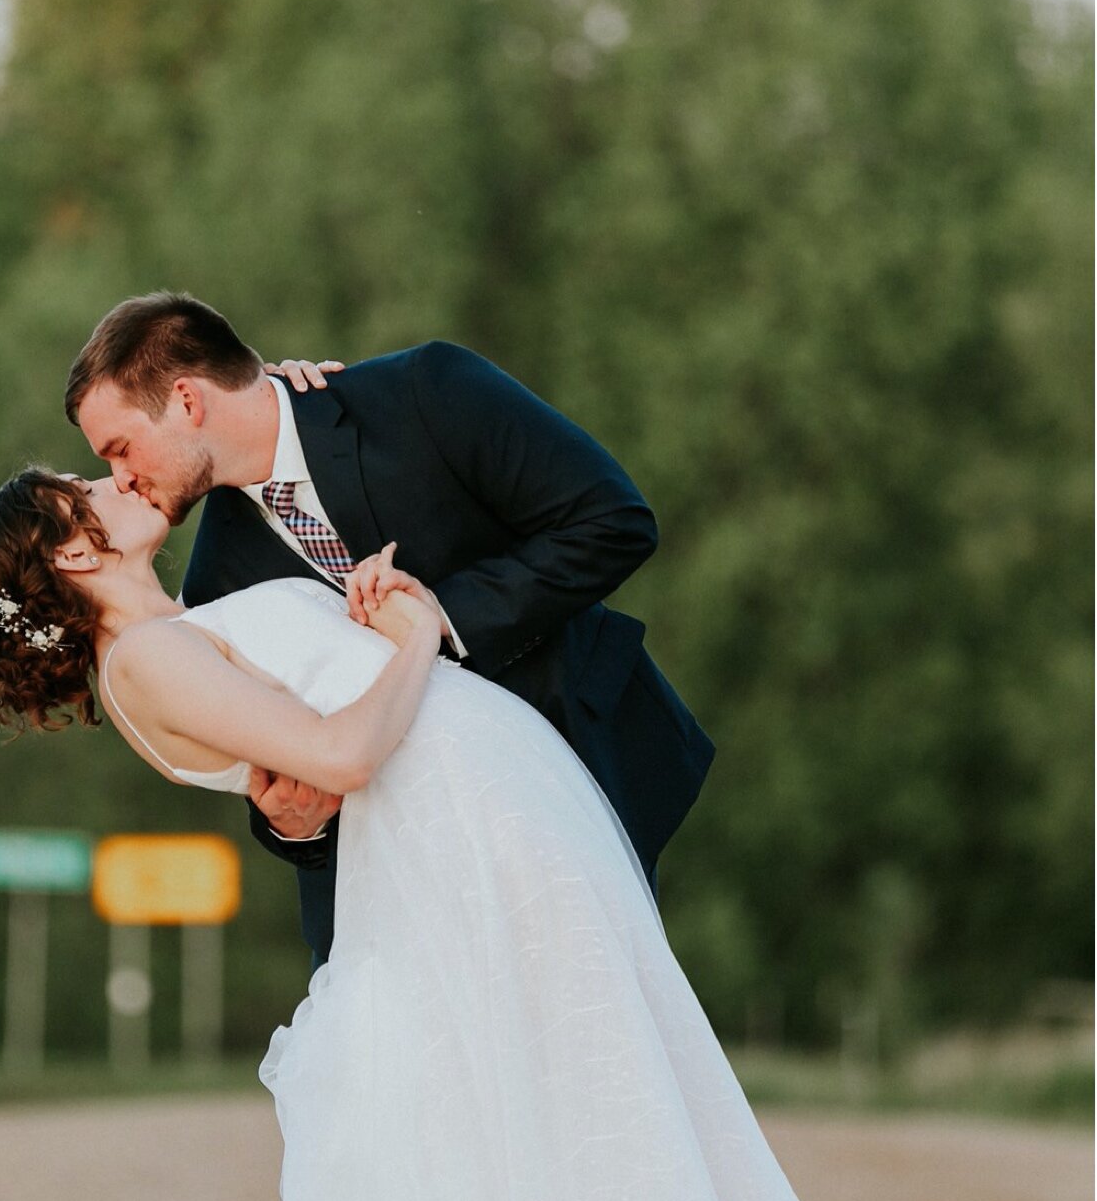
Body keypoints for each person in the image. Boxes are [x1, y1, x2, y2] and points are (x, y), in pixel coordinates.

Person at [0, 457, 1018, 1201]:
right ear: (74, 552)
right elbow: (341, 755)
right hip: (461, 860)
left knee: (616, 1129)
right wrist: (417, 630)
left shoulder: (180, 627)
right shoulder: (149, 656)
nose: (109, 479)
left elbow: (305, 748)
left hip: (490, 833)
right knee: (624, 1133)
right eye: (84, 485)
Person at [63, 292, 716, 975]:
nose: (121, 478)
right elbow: (292, 761)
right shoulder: (215, 583)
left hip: (581, 757)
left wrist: (442, 619)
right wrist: (295, 822)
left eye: (120, 447)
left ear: (190, 402)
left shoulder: (421, 394)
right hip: (421, 870)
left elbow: (613, 521)